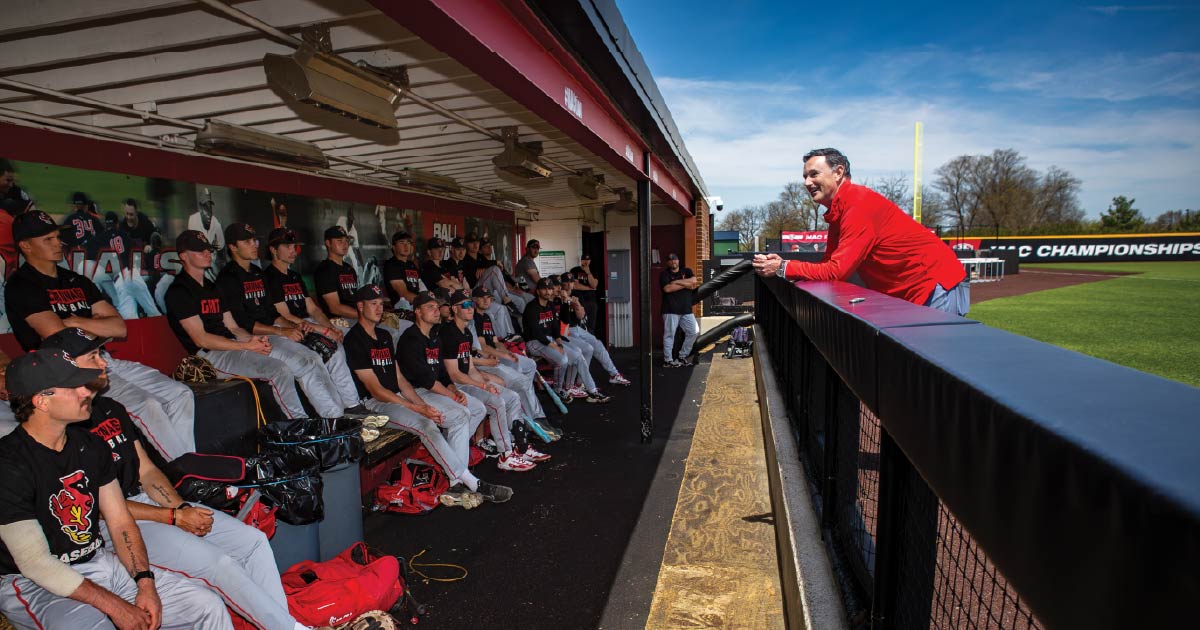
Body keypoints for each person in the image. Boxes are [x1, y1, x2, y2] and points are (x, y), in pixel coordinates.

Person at [41, 327, 305, 630]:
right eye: (93, 357)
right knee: (219, 565)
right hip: (114, 526)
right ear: (67, 367)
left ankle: (283, 623)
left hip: (148, 505)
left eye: (101, 354)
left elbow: (148, 471)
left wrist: (181, 510)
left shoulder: (109, 408)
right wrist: (172, 518)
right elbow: (99, 507)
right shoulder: (63, 428)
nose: (103, 363)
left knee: (253, 541)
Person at [0, 348, 233, 630]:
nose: (87, 391)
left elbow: (120, 521)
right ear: (42, 401)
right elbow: (35, 563)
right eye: (74, 386)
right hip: (33, 584)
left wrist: (145, 583)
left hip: (99, 563)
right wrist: (116, 606)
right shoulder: (9, 462)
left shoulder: (89, 444)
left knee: (205, 605)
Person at [5, 210, 196, 460]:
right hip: (68, 374)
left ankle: (188, 466)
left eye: (56, 237)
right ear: (26, 246)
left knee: (180, 394)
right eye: (47, 239)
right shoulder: (22, 285)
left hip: (104, 359)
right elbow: (59, 338)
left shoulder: (75, 279)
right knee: (148, 405)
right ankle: (188, 473)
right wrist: (92, 324)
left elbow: (119, 328)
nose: (57, 243)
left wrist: (72, 321)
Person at [752, 148, 970, 316]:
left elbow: (836, 271)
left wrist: (783, 267)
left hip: (936, 286)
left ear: (838, 173)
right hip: (914, 292)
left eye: (814, 174)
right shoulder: (839, 210)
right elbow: (828, 264)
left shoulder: (858, 204)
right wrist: (786, 267)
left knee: (933, 367)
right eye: (804, 176)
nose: (807, 182)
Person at [371, 287, 512, 505]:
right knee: (460, 414)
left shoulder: (434, 336)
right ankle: (461, 479)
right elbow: (424, 379)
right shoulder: (411, 339)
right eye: (430, 308)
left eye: (437, 307)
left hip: (432, 389)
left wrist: (453, 390)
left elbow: (442, 373)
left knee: (474, 409)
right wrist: (450, 394)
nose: (436, 311)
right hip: (417, 391)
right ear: (417, 312)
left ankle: (453, 469)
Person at [216, 223, 359, 418]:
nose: (254, 244)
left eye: (254, 240)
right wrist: (285, 331)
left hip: (274, 330)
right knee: (304, 361)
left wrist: (296, 327)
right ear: (233, 247)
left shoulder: (257, 273)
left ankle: (343, 413)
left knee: (320, 353)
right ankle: (332, 417)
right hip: (253, 337)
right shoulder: (228, 278)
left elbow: (272, 313)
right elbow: (242, 324)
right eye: (247, 241)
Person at [164, 229, 310, 420]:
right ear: (183, 256)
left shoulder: (212, 286)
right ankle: (299, 426)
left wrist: (253, 340)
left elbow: (232, 326)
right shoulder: (179, 291)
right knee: (277, 370)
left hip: (231, 345)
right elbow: (201, 339)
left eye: (208, 250)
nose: (207, 254)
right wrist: (244, 345)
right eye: (200, 251)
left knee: (292, 359)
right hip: (209, 356)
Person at [442, 289, 548, 471]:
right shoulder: (448, 332)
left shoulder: (466, 333)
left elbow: (469, 368)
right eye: (465, 305)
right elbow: (454, 374)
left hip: (468, 381)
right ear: (454, 309)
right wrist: (482, 385)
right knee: (497, 402)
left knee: (512, 396)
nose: (470, 309)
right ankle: (505, 454)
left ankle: (519, 446)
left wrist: (487, 382)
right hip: (455, 386)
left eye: (471, 305)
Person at [523, 278, 610, 404]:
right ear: (538, 291)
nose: (547, 292)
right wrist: (555, 346)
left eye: (549, 289)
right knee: (562, 360)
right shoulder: (531, 307)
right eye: (544, 289)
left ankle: (592, 391)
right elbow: (536, 333)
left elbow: (555, 327)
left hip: (550, 340)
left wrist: (559, 341)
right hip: (534, 342)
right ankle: (558, 390)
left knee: (578, 356)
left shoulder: (550, 305)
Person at [469, 287, 546, 425]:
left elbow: (495, 342)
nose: (487, 300)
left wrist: (507, 352)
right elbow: (483, 347)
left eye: (489, 297)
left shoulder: (486, 316)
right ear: (474, 300)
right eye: (482, 297)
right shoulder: (473, 317)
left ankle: (527, 400)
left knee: (530, 364)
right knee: (520, 376)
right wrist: (504, 356)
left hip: (495, 354)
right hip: (487, 358)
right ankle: (530, 413)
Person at [559, 273, 629, 386]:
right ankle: (579, 383)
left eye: (571, 282)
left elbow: (581, 315)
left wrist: (575, 303)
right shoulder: (558, 296)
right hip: (565, 330)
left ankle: (614, 374)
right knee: (586, 349)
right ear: (561, 283)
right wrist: (566, 300)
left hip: (577, 328)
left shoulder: (576, 295)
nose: (568, 285)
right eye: (566, 282)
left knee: (598, 344)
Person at [660, 253, 699, 367]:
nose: (673, 262)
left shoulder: (686, 271)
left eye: (675, 259)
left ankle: (682, 356)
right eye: (671, 260)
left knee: (694, 331)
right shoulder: (664, 274)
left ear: (678, 260)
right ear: (668, 262)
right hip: (670, 309)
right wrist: (686, 284)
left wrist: (675, 282)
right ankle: (668, 360)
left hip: (686, 309)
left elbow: (694, 281)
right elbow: (667, 289)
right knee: (669, 335)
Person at [381, 230, 424, 312]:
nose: (406, 246)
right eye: (401, 242)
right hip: (402, 310)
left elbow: (421, 285)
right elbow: (404, 294)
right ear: (394, 247)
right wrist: (425, 302)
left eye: (408, 243)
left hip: (418, 306)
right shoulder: (391, 265)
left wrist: (430, 298)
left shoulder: (411, 265)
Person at [570, 254, 600, 332]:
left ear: (590, 261)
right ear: (581, 261)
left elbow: (594, 284)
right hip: (578, 300)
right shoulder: (574, 270)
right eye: (584, 260)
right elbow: (575, 286)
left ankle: (590, 341)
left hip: (591, 301)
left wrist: (588, 272)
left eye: (588, 260)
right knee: (579, 323)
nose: (586, 262)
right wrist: (589, 288)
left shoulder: (593, 271)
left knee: (591, 324)